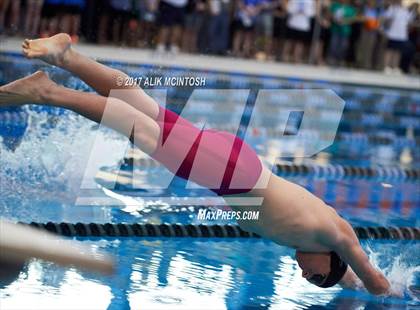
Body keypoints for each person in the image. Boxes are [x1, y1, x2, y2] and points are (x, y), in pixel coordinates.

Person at [1, 33, 393, 295]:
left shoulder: (319, 239)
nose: (306, 275)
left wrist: (349, 284)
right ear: (331, 262)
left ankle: (65, 55)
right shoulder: (334, 237)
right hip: (234, 175)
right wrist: (394, 291)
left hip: (235, 167)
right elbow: (373, 280)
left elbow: (353, 277)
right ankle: (48, 91)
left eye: (313, 281)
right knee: (141, 127)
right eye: (316, 276)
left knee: (143, 109)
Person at [382, 0, 416, 74]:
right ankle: (386, 66)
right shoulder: (392, 8)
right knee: (389, 51)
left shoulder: (405, 10)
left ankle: (394, 67)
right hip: (392, 34)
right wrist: (385, 30)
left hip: (401, 36)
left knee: (398, 52)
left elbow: (409, 21)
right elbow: (386, 19)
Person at [327, 0, 357, 66]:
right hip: (335, 29)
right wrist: (335, 19)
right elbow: (330, 14)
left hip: (345, 31)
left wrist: (344, 21)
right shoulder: (335, 5)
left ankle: (340, 60)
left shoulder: (351, 9)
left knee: (343, 46)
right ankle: (332, 59)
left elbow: (353, 19)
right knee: (333, 45)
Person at [355, 0, 380, 69]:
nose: (371, 2)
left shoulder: (377, 10)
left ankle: (367, 64)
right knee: (362, 46)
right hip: (365, 29)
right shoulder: (363, 8)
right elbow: (358, 17)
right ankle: (359, 63)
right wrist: (364, 19)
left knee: (370, 47)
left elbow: (380, 20)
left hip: (373, 30)